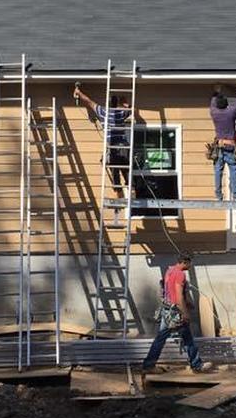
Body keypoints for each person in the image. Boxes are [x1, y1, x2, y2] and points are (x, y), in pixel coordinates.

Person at [142, 254, 212, 375]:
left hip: (167, 310)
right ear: (185, 262)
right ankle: (197, 365)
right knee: (188, 339)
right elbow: (178, 295)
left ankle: (149, 365)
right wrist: (185, 313)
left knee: (160, 339)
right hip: (176, 312)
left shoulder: (169, 271)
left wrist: (187, 302)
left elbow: (168, 290)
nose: (190, 266)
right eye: (190, 263)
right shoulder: (180, 274)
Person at [74, 84, 133, 224]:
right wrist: (125, 103)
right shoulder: (120, 113)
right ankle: (132, 196)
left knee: (116, 174)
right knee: (127, 174)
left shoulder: (103, 112)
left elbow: (88, 101)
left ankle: (120, 199)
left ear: (107, 103)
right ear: (116, 104)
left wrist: (78, 92)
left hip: (113, 149)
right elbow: (130, 110)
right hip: (124, 148)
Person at [210, 85, 236, 201]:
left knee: (218, 171)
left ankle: (218, 196)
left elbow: (212, 103)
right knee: (234, 170)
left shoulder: (214, 113)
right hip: (230, 146)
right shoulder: (230, 112)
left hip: (219, 147)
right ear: (226, 104)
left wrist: (216, 92)